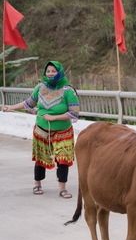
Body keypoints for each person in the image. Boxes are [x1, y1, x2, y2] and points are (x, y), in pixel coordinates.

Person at [2, 61, 79, 198]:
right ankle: (37, 184)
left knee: (63, 159)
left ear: (59, 72)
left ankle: (62, 189)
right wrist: (11, 107)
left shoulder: (68, 91)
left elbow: (74, 113)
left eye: (53, 71)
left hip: (63, 132)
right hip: (41, 130)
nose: (50, 74)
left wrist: (54, 118)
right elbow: (29, 103)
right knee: (40, 157)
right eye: (48, 71)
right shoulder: (40, 87)